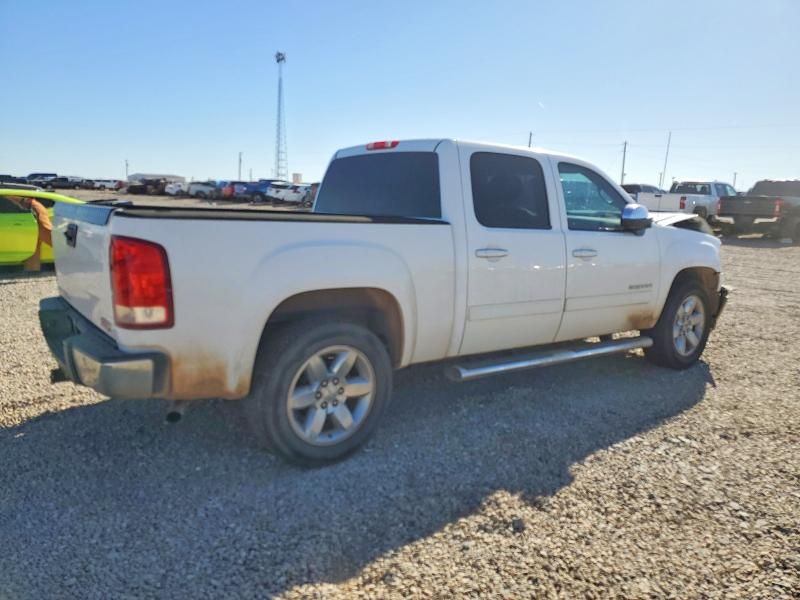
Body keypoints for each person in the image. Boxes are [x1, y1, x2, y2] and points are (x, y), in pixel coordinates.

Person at [8, 196, 53, 271]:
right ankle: (32, 270)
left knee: (49, 239)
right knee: (33, 245)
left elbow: (48, 232)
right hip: (26, 214)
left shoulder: (35, 206)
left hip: (32, 211)